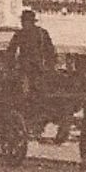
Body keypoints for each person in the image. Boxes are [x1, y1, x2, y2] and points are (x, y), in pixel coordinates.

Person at [8, 9, 66, 139]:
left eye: (25, 21)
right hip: (39, 69)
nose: (24, 24)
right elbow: (51, 52)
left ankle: (29, 115)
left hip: (27, 70)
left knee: (26, 93)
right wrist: (50, 67)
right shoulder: (41, 33)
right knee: (40, 92)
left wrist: (10, 66)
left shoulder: (21, 34)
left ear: (27, 22)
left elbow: (11, 52)